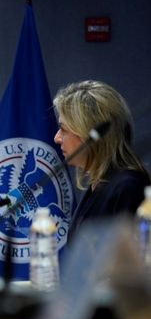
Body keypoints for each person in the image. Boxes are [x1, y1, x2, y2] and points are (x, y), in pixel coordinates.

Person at [53, 80, 150, 239]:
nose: (56, 138)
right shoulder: (97, 184)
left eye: (63, 129)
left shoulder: (129, 188)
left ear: (90, 134)